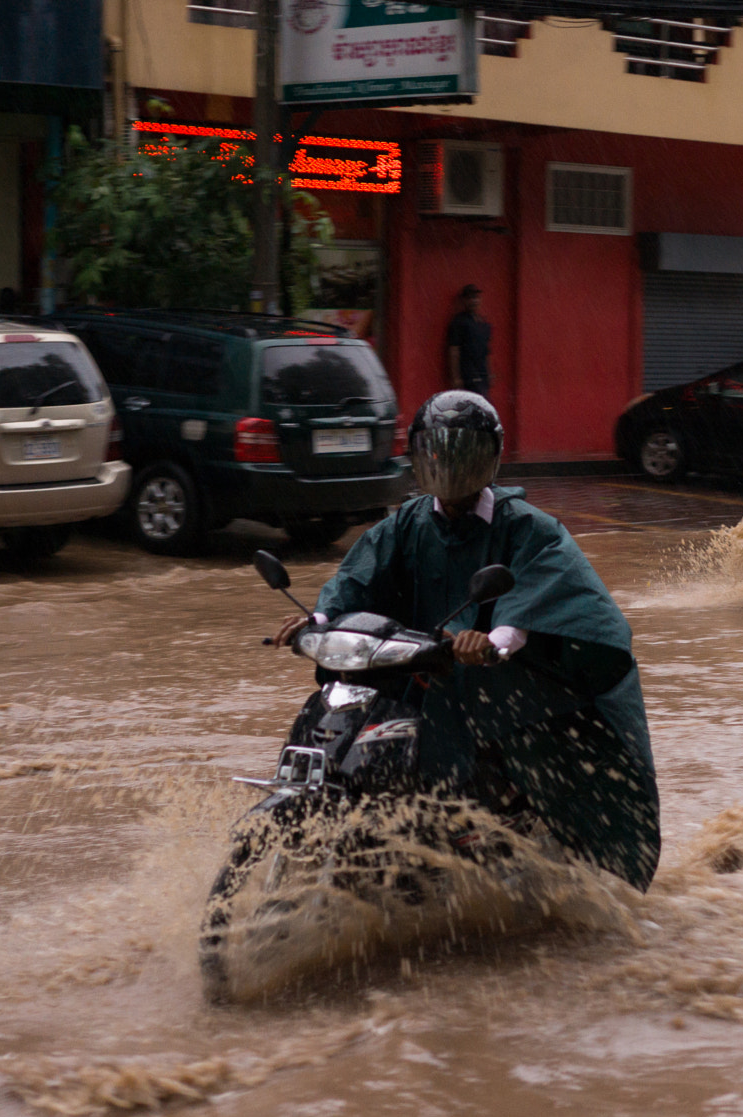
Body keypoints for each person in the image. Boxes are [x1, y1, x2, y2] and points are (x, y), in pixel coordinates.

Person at [272, 391, 661, 890]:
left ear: (491, 458)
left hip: (496, 685)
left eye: (465, 453)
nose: (450, 465)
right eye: (439, 452)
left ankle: (463, 833)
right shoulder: (407, 523)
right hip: (408, 668)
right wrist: (317, 619)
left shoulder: (528, 528)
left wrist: (496, 638)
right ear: (420, 455)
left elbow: (545, 594)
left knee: (490, 746)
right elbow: (357, 579)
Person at [445, 284, 492, 397]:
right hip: (469, 376)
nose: (474, 301)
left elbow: (486, 351)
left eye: (476, 298)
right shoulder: (459, 322)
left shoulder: (483, 324)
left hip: (482, 374)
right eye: (470, 298)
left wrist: (489, 373)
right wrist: (456, 377)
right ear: (464, 301)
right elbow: (454, 350)